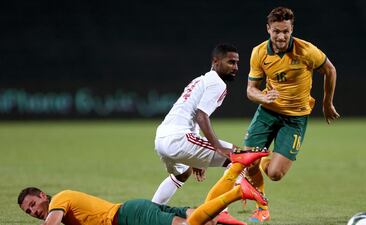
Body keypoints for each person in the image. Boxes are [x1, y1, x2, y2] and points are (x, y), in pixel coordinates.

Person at [241, 7, 340, 222]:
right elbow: (250, 90)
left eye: (286, 31)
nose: (281, 36)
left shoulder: (306, 51)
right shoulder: (259, 53)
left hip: (295, 118)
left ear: (291, 29)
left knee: (275, 174)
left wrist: (326, 102)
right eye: (277, 31)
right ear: (268, 29)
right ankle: (262, 208)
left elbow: (330, 70)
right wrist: (262, 98)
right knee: (247, 162)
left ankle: (264, 160)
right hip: (267, 113)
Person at [152, 43, 262, 225]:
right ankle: (222, 211)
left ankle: (152, 210)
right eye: (230, 62)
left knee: (182, 174)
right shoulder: (217, 84)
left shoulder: (199, 80)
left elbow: (191, 114)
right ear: (216, 61)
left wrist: (196, 156)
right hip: (179, 138)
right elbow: (201, 116)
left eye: (237, 63)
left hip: (162, 138)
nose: (235, 67)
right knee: (239, 157)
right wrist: (217, 147)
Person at [17, 158, 269, 225]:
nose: (32, 211)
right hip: (134, 213)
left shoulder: (60, 199)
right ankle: (235, 173)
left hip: (129, 216)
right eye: (27, 211)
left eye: (32, 204)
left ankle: (238, 192)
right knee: (206, 220)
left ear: (42, 195)